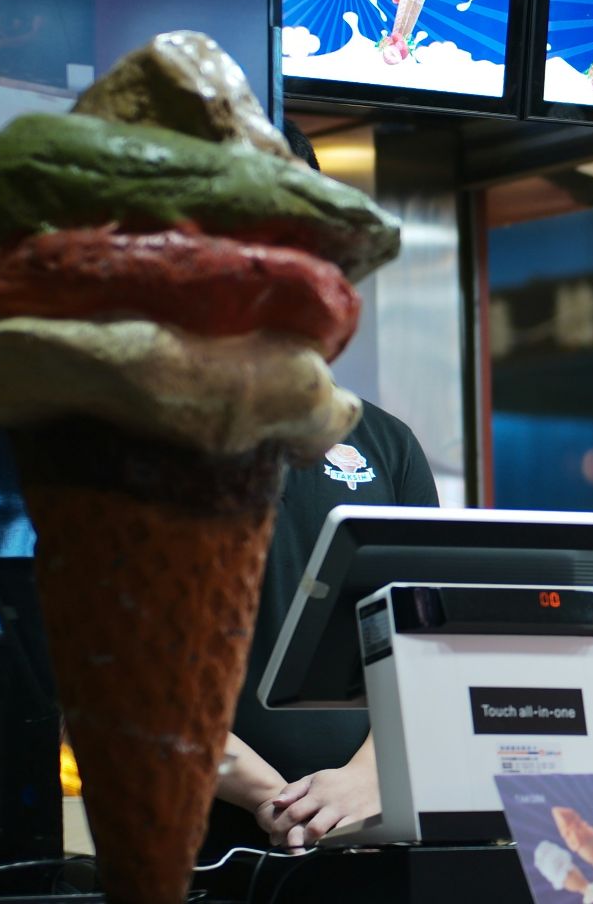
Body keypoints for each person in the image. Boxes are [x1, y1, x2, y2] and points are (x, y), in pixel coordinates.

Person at [200, 121, 440, 858]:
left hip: (375, 838)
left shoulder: (386, 443)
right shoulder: (145, 436)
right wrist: (276, 797)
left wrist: (365, 781)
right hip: (209, 847)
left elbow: (430, 645)